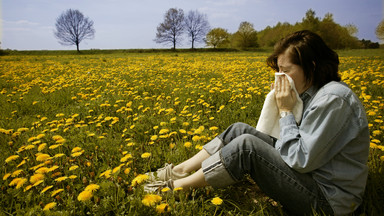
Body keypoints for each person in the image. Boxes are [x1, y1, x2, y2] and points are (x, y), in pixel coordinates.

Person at [144, 30, 370, 215]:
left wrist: (285, 110)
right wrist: (286, 105)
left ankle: (176, 189)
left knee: (247, 147)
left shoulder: (333, 99)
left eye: (286, 71)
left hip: (329, 202)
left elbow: (300, 159)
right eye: (278, 70)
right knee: (239, 130)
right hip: (312, 178)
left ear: (311, 66)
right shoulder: (312, 93)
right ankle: (181, 170)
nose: (280, 77)